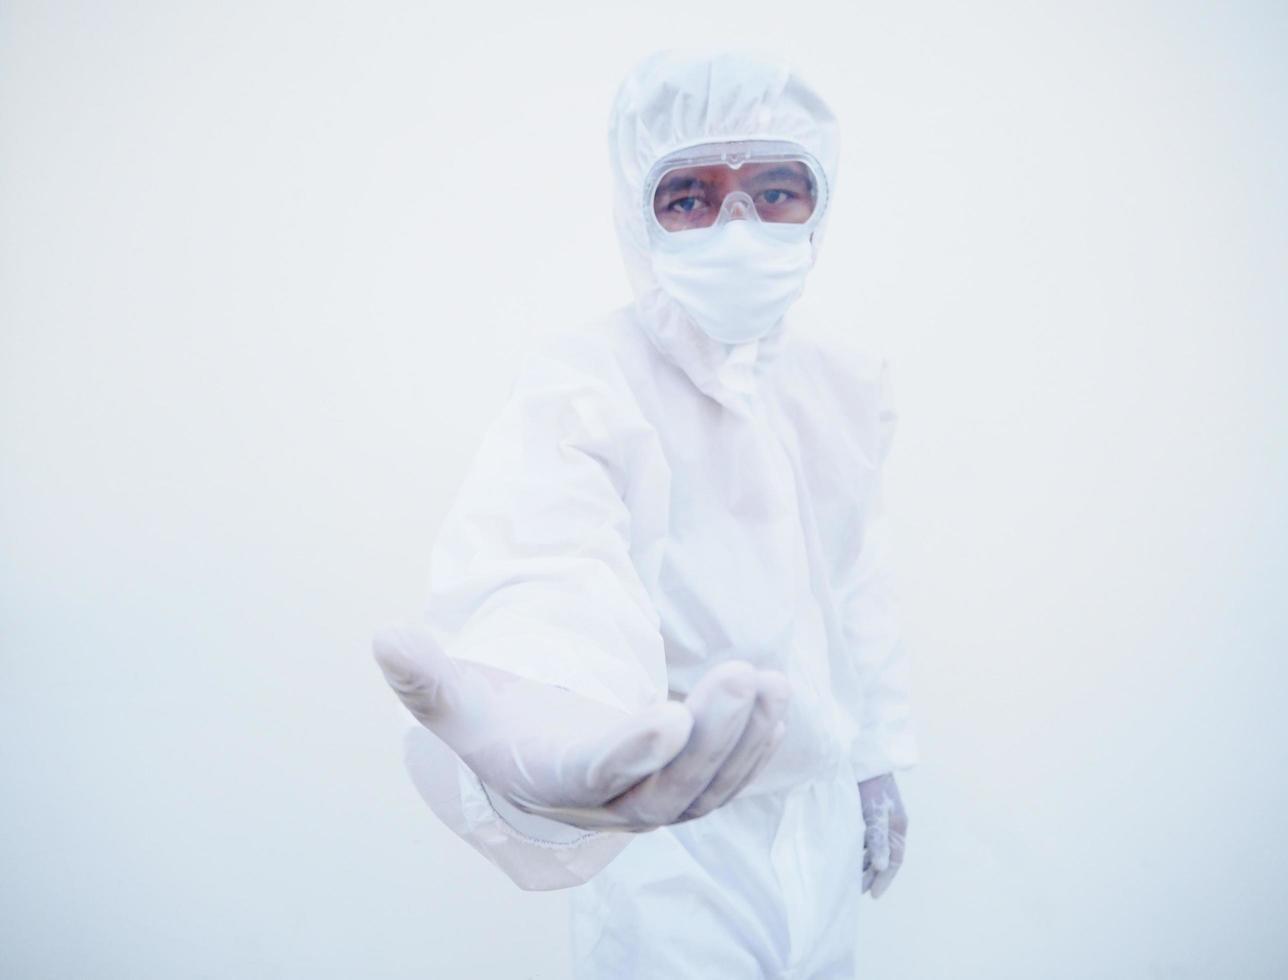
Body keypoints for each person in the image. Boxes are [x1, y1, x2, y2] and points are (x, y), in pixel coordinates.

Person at [373, 48, 918, 978]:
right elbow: (549, 560)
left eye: (776, 191)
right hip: (668, 824)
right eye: (692, 196)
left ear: (819, 204)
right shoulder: (587, 379)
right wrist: (555, 716)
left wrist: (874, 759)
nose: (738, 226)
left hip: (815, 820)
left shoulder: (845, 384)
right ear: (640, 211)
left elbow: (853, 579)